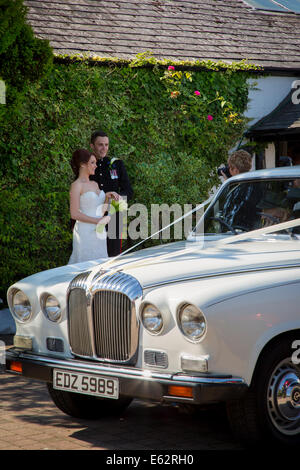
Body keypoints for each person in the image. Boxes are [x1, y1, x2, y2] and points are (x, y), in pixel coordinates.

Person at [68, 149, 119, 264]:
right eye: (92, 163)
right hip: (84, 231)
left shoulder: (95, 184)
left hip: (99, 231)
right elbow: (74, 213)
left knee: (100, 264)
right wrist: (97, 221)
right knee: (84, 264)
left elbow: (100, 212)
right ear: (82, 164)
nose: (96, 166)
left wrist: (107, 198)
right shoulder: (76, 186)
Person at [89, 130, 133, 257]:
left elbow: (128, 190)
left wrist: (119, 197)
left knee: (113, 256)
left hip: (114, 217)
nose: (104, 148)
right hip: (94, 217)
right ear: (92, 146)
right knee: (94, 255)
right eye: (100, 145)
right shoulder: (87, 165)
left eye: (106, 145)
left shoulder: (116, 164)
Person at [221, 150, 261, 230]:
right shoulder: (254, 185)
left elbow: (233, 213)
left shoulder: (239, 190)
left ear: (235, 170)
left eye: (230, 168)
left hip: (236, 232)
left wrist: (228, 185)